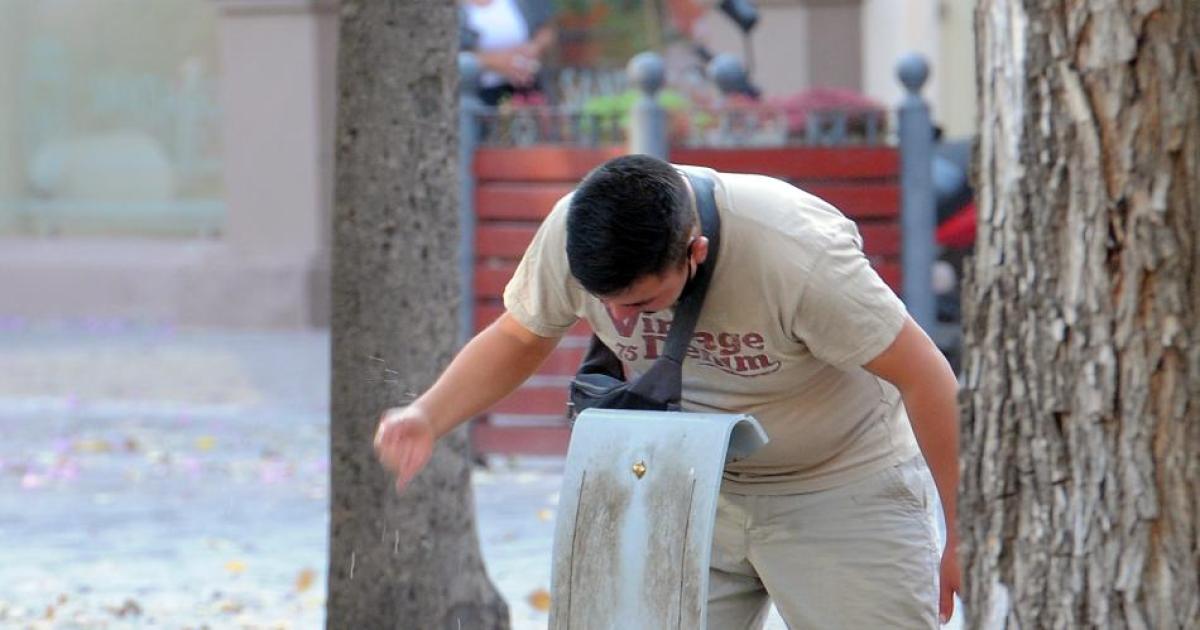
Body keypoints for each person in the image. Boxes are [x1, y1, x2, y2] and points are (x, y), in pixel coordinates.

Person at [375, 154, 962, 628]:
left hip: (837, 485)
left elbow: (925, 374)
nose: (617, 321)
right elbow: (520, 336)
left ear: (694, 253)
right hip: (687, 485)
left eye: (638, 303)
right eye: (602, 302)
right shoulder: (572, 231)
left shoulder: (796, 253)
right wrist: (429, 415)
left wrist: (963, 533)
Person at [459, 0, 557, 106]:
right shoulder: (449, 9)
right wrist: (494, 62)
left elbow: (546, 28)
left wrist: (533, 49)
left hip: (526, 88)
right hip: (476, 96)